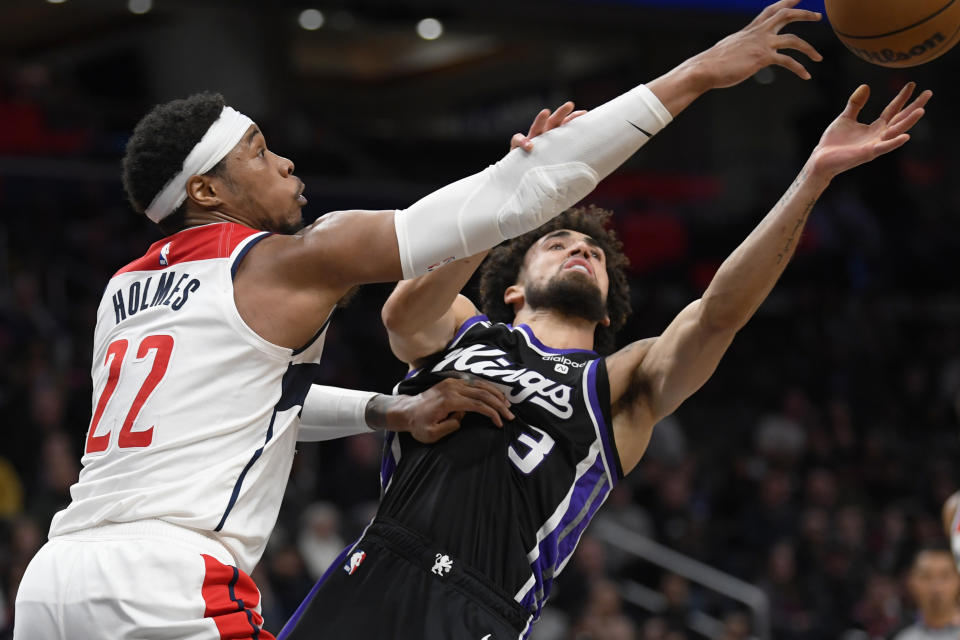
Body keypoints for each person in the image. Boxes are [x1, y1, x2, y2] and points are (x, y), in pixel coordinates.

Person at [13, 0, 824, 636]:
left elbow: (261, 406)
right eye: (258, 150)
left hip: (55, 577)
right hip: (168, 583)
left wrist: (387, 409)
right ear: (207, 192)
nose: (286, 158)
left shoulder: (124, 291)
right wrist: (698, 75)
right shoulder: (293, 259)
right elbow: (514, 199)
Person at [279, 78, 930, 639]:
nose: (580, 252)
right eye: (557, 241)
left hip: (475, 601)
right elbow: (401, 315)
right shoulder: (466, 330)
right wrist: (507, 199)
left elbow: (718, 312)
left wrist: (812, 178)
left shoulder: (620, 382)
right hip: (375, 558)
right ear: (512, 287)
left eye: (591, 253)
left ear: (609, 308)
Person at [891, 548, 960, 640]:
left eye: (945, 576)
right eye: (926, 577)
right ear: (911, 582)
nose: (936, 587)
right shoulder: (903, 637)